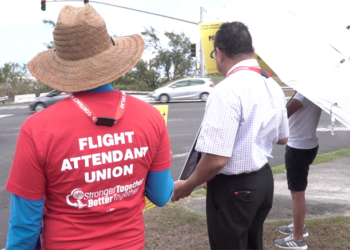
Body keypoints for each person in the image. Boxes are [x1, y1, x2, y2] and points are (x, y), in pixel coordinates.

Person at [5, 4, 173, 250]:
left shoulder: (37, 128)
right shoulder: (152, 117)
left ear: (63, 65)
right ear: (111, 58)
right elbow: (160, 196)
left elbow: (26, 224)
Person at [172, 21, 289, 250]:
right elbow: (283, 137)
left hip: (234, 189)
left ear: (219, 54)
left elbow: (216, 159)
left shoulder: (227, 90)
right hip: (263, 182)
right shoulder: (272, 85)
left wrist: (188, 185)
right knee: (253, 243)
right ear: (252, 51)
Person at [274, 92, 322, 250]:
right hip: (306, 144)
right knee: (298, 191)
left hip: (298, 148)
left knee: (297, 193)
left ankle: (298, 238)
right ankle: (298, 226)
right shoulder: (311, 90)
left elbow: (284, 113)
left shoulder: (304, 92)